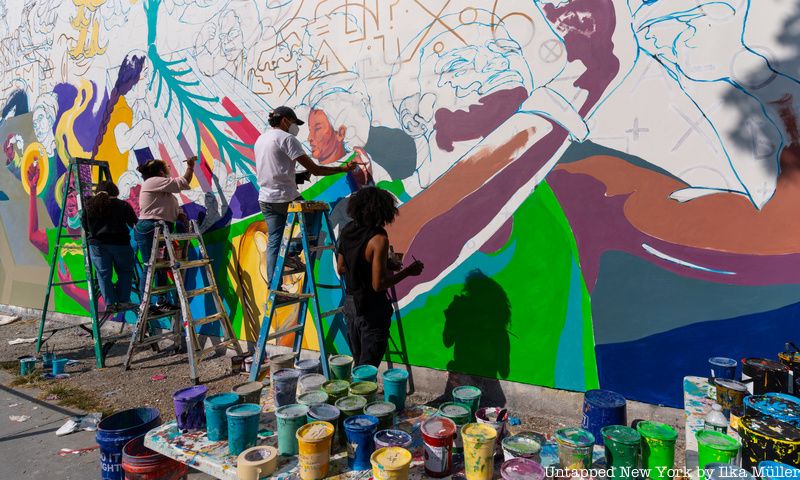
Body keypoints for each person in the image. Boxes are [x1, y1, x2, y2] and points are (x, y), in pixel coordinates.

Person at [255, 105, 357, 288]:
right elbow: (316, 169)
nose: (296, 128)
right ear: (285, 120)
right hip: (285, 197)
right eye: (294, 123)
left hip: (266, 199)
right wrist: (342, 169)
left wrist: (295, 176)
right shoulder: (287, 139)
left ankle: (274, 285)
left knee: (274, 241)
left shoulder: (261, 139)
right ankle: (292, 251)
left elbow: (273, 169)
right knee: (313, 217)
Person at [336, 186, 424, 367]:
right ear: (381, 210)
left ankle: (355, 394)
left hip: (351, 304)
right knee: (368, 369)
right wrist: (408, 271)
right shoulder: (379, 239)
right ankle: (364, 394)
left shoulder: (347, 231)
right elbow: (378, 284)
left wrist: (372, 265)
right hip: (371, 308)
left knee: (359, 364)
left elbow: (341, 267)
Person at [134, 156, 196, 311]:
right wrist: (190, 166)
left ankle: (161, 301)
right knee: (150, 266)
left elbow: (168, 206)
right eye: (166, 168)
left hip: (160, 228)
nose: (169, 170)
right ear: (161, 172)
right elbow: (182, 182)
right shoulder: (152, 181)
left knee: (161, 266)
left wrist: (180, 214)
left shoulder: (162, 190)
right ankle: (145, 305)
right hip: (151, 228)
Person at [84, 181, 138, 312]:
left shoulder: (89, 205)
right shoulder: (123, 205)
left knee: (103, 275)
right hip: (121, 244)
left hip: (98, 245)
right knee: (125, 272)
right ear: (115, 192)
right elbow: (134, 223)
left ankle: (110, 303)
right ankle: (123, 301)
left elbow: (85, 227)